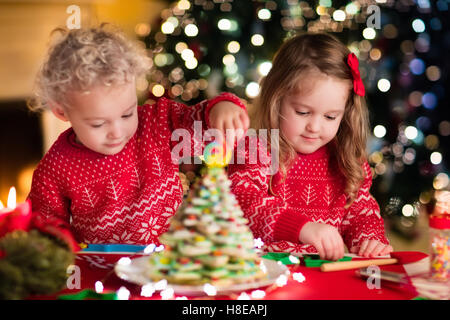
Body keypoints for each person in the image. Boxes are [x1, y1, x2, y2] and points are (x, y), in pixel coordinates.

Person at [27, 24, 248, 245]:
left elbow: (196, 123)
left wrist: (222, 107)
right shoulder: (56, 167)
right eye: (98, 123)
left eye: (127, 114)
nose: (117, 132)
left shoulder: (157, 123)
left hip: (172, 261)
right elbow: (44, 228)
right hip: (104, 271)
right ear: (61, 111)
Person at [228, 33, 393, 260]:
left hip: (321, 280)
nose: (314, 127)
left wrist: (369, 240)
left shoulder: (344, 160)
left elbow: (359, 212)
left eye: (330, 116)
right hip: (261, 275)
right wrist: (301, 228)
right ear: (276, 99)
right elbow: (244, 202)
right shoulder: (256, 150)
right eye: (303, 112)